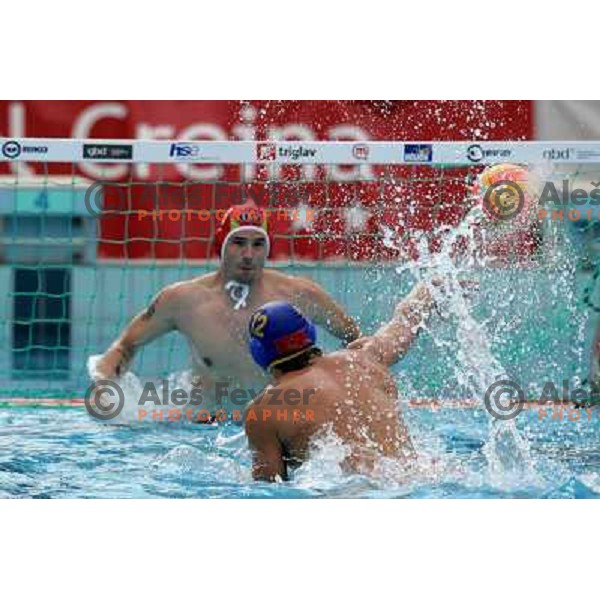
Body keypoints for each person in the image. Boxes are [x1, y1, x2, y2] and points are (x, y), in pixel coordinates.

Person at [93, 200, 360, 413]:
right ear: (221, 245)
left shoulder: (299, 295)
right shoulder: (182, 300)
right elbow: (125, 346)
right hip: (204, 426)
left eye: (258, 244)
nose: (248, 255)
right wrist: (104, 382)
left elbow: (356, 340)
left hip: (275, 421)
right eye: (238, 243)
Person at [244, 282, 439, 481]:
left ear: (258, 353)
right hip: (418, 479)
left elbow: (267, 487)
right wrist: (430, 287)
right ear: (309, 333)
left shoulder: (264, 410)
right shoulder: (365, 358)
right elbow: (405, 320)